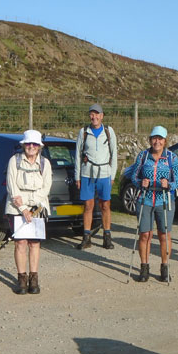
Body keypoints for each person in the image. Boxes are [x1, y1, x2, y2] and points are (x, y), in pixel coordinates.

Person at [131, 126, 178, 282]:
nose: (157, 141)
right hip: (145, 198)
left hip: (164, 199)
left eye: (160, 139)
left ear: (165, 141)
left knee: (164, 235)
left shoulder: (171, 158)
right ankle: (144, 268)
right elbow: (134, 176)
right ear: (150, 139)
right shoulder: (143, 156)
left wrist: (169, 185)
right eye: (154, 138)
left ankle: (164, 268)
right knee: (145, 234)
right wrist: (141, 182)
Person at [5, 130, 52, 294]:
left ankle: (34, 279)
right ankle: (21, 280)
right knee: (20, 243)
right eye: (28, 144)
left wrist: (33, 208)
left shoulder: (45, 163)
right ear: (23, 145)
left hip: (38, 206)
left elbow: (46, 187)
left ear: (39, 146)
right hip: (17, 206)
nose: (31, 147)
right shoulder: (14, 161)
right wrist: (24, 209)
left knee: (34, 243)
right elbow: (12, 186)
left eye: (34, 144)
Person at [74, 104, 118, 250]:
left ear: (102, 116)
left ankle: (107, 237)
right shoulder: (84, 132)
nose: (94, 117)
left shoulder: (109, 131)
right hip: (87, 174)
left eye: (97, 114)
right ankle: (86, 237)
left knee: (105, 205)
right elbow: (78, 155)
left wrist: (112, 175)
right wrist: (77, 177)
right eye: (92, 114)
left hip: (105, 173)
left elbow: (114, 154)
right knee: (88, 206)